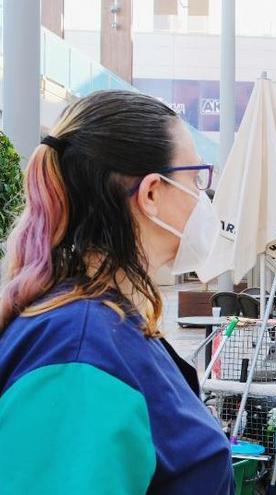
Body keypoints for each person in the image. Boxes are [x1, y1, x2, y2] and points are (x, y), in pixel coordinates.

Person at [0, 90, 232, 493]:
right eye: (195, 178)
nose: (202, 197)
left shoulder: (100, 324)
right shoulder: (79, 346)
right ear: (152, 193)